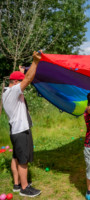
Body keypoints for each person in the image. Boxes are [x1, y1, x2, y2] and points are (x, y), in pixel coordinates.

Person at [2, 51, 42, 197]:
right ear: (15, 83)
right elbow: (28, 79)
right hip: (20, 131)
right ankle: (25, 188)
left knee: (16, 157)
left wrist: (20, 72)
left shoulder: (7, 92)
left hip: (14, 130)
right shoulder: (13, 91)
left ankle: (17, 184)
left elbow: (22, 79)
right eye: (21, 81)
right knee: (23, 160)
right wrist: (35, 61)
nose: (23, 85)